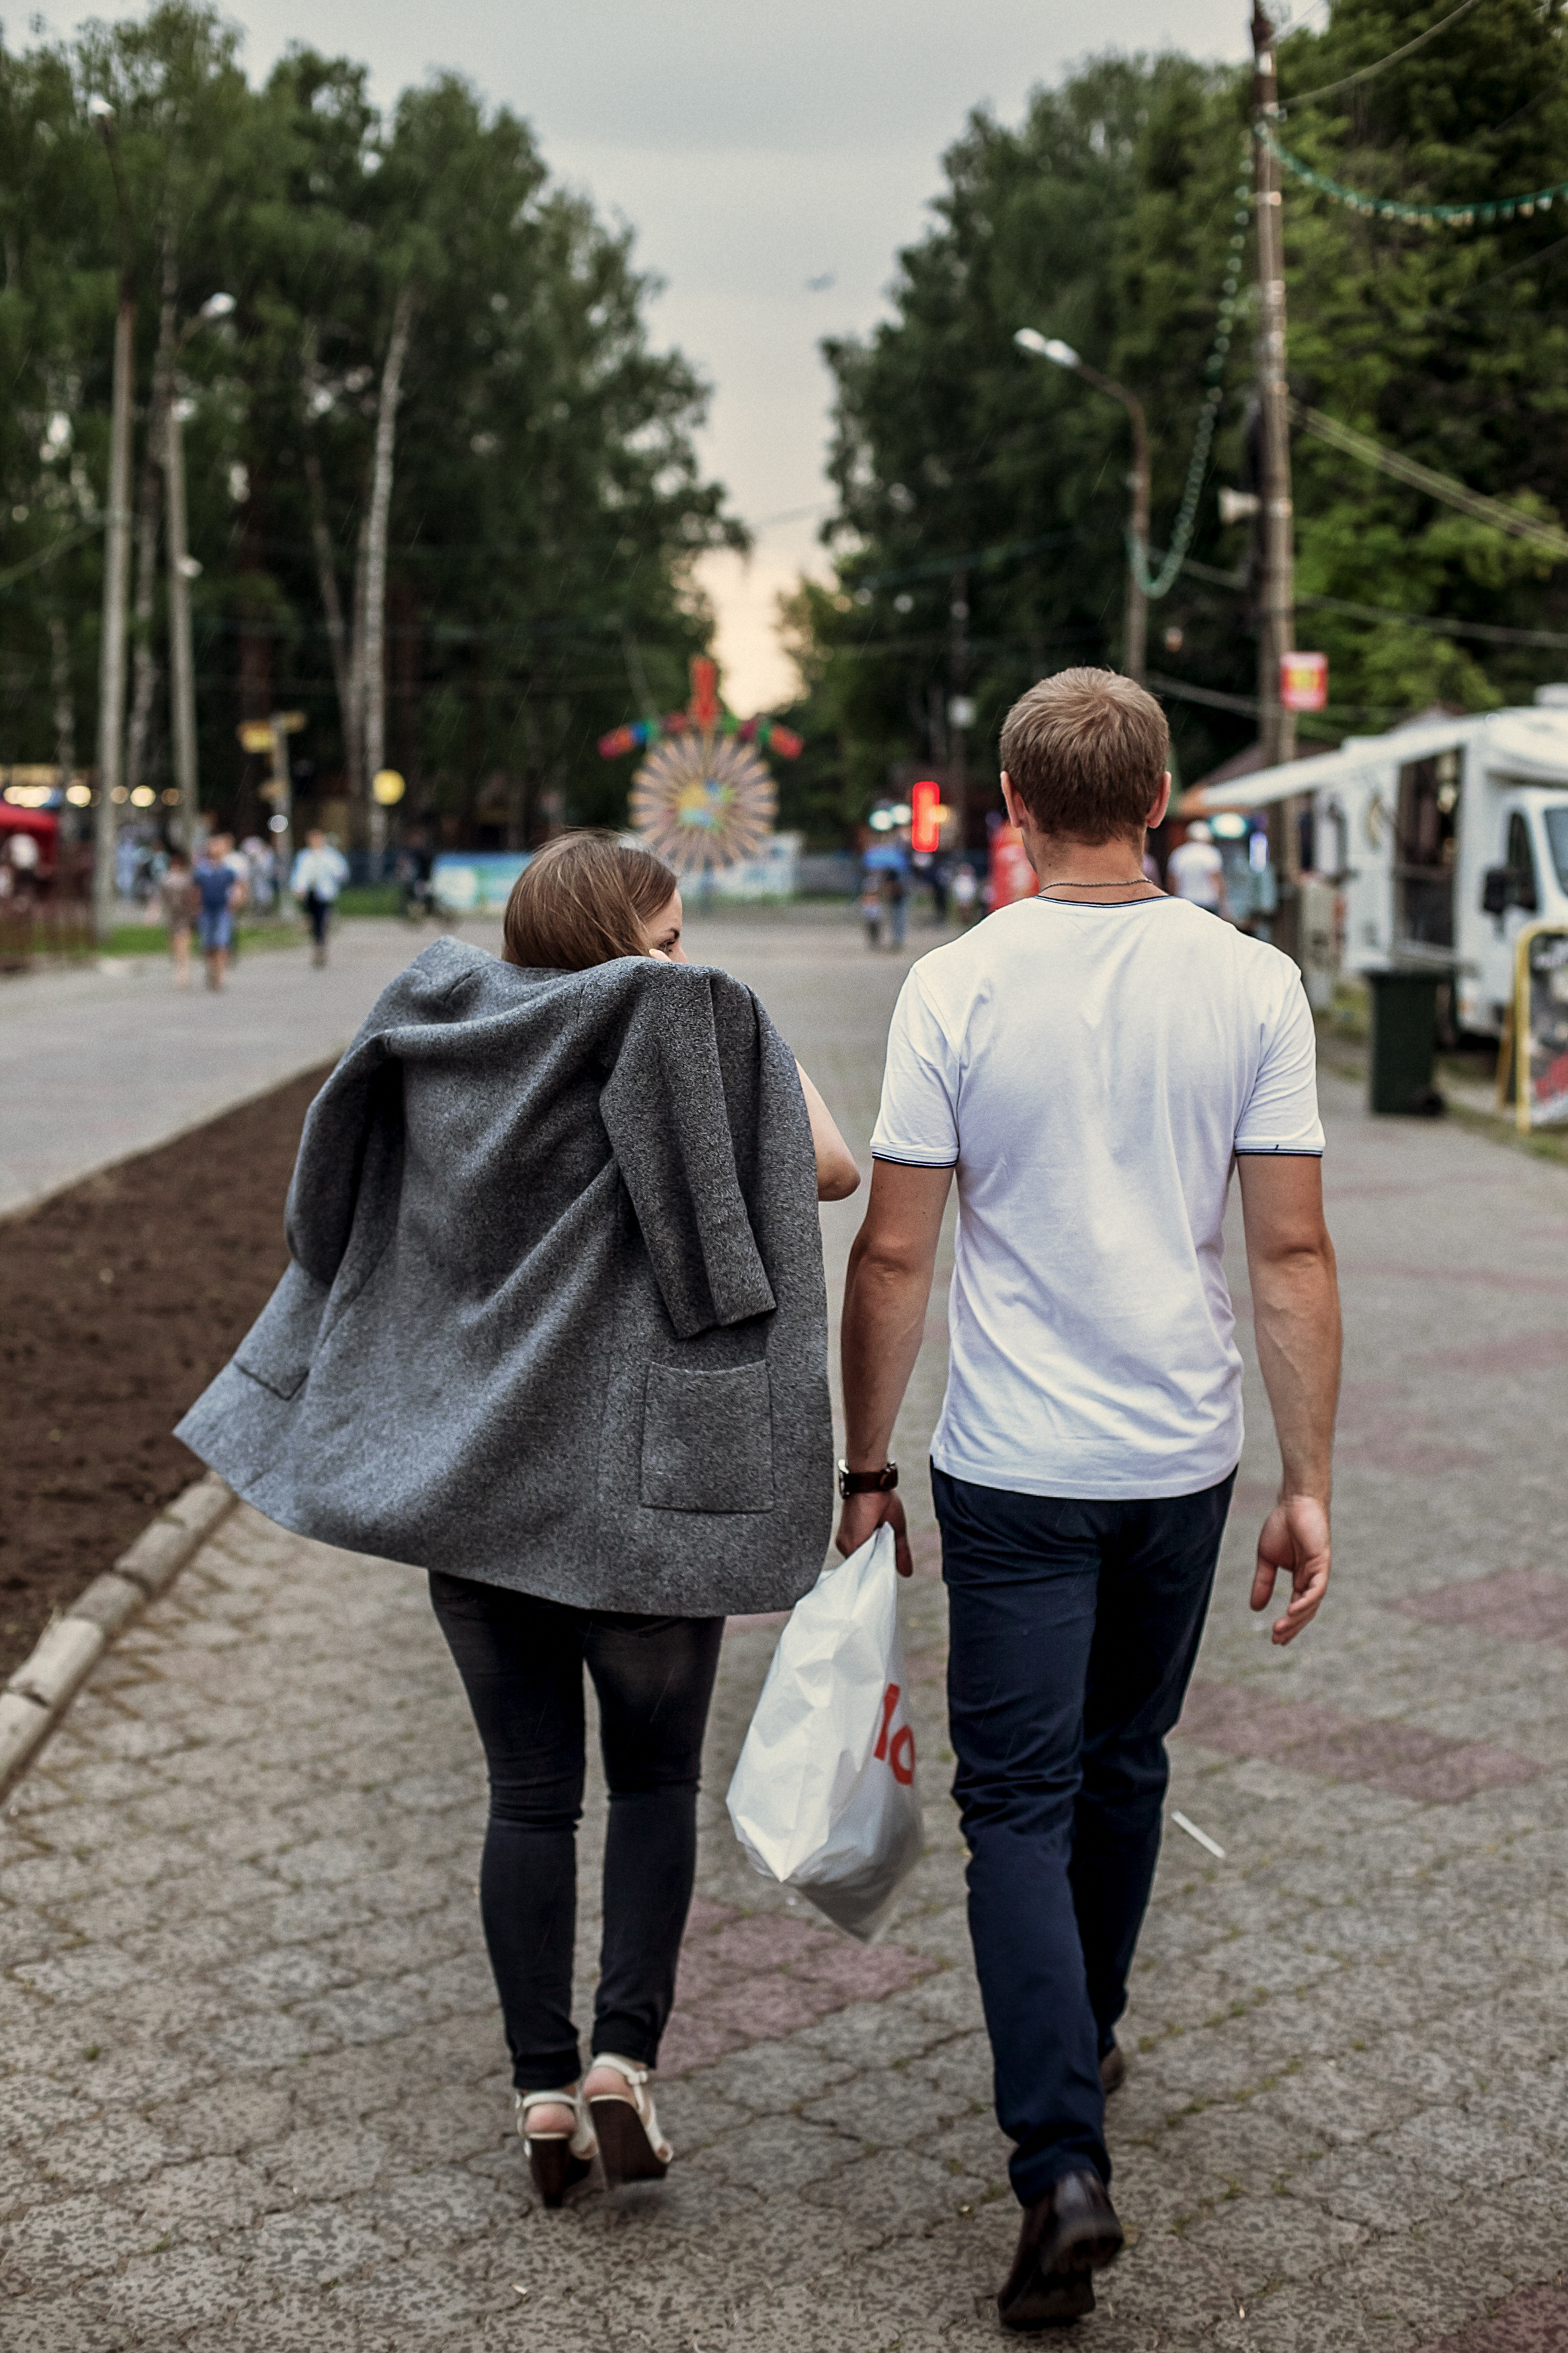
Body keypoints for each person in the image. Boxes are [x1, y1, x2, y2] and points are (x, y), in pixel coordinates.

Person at [175, 830, 859, 2212]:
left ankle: (539, 2089)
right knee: (652, 1785)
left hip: (476, 1485)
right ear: (629, 947)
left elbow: (324, 1213)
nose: (686, 964)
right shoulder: (687, 1030)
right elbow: (833, 1166)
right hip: (645, 1495)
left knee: (528, 1797)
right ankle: (622, 2062)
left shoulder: (447, 1048)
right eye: (669, 941)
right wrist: (716, 1013)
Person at [834, 669, 1339, 2331]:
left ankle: (1058, 2159)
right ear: (1161, 796)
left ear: (1010, 803)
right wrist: (1305, 1481)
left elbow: (891, 1250)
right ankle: (1085, 2036)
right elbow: (1287, 1250)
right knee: (1123, 1764)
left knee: (1018, 1803)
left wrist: (864, 1466)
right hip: (1180, 1459)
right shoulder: (1252, 982)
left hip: (1011, 1467)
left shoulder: (954, 985)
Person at [290, 828, 350, 965]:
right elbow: (299, 874)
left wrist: (336, 874)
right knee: (312, 921)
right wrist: (298, 888)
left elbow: (341, 872)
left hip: (324, 893)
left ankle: (321, 945)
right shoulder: (304, 856)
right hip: (309, 892)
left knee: (321, 919)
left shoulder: (331, 855)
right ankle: (317, 943)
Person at [192, 834, 242, 990]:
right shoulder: (202, 870)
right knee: (208, 944)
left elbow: (236, 887)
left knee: (221, 942)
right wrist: (196, 906)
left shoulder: (227, 870)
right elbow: (196, 890)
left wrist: (235, 902)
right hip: (206, 910)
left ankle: (220, 976)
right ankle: (211, 968)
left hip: (222, 909)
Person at [1165, 817, 1229, 917]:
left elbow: (1173, 882)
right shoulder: (1211, 853)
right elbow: (1216, 881)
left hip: (1185, 901)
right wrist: (1224, 906)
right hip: (1208, 902)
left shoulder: (1179, 854)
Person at [157, 847, 198, 990]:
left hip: (186, 915)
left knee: (184, 943)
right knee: (174, 944)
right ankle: (179, 967)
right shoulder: (166, 879)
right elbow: (160, 897)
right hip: (173, 916)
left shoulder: (189, 878)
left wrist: (196, 910)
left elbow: (194, 896)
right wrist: (154, 912)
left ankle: (183, 972)